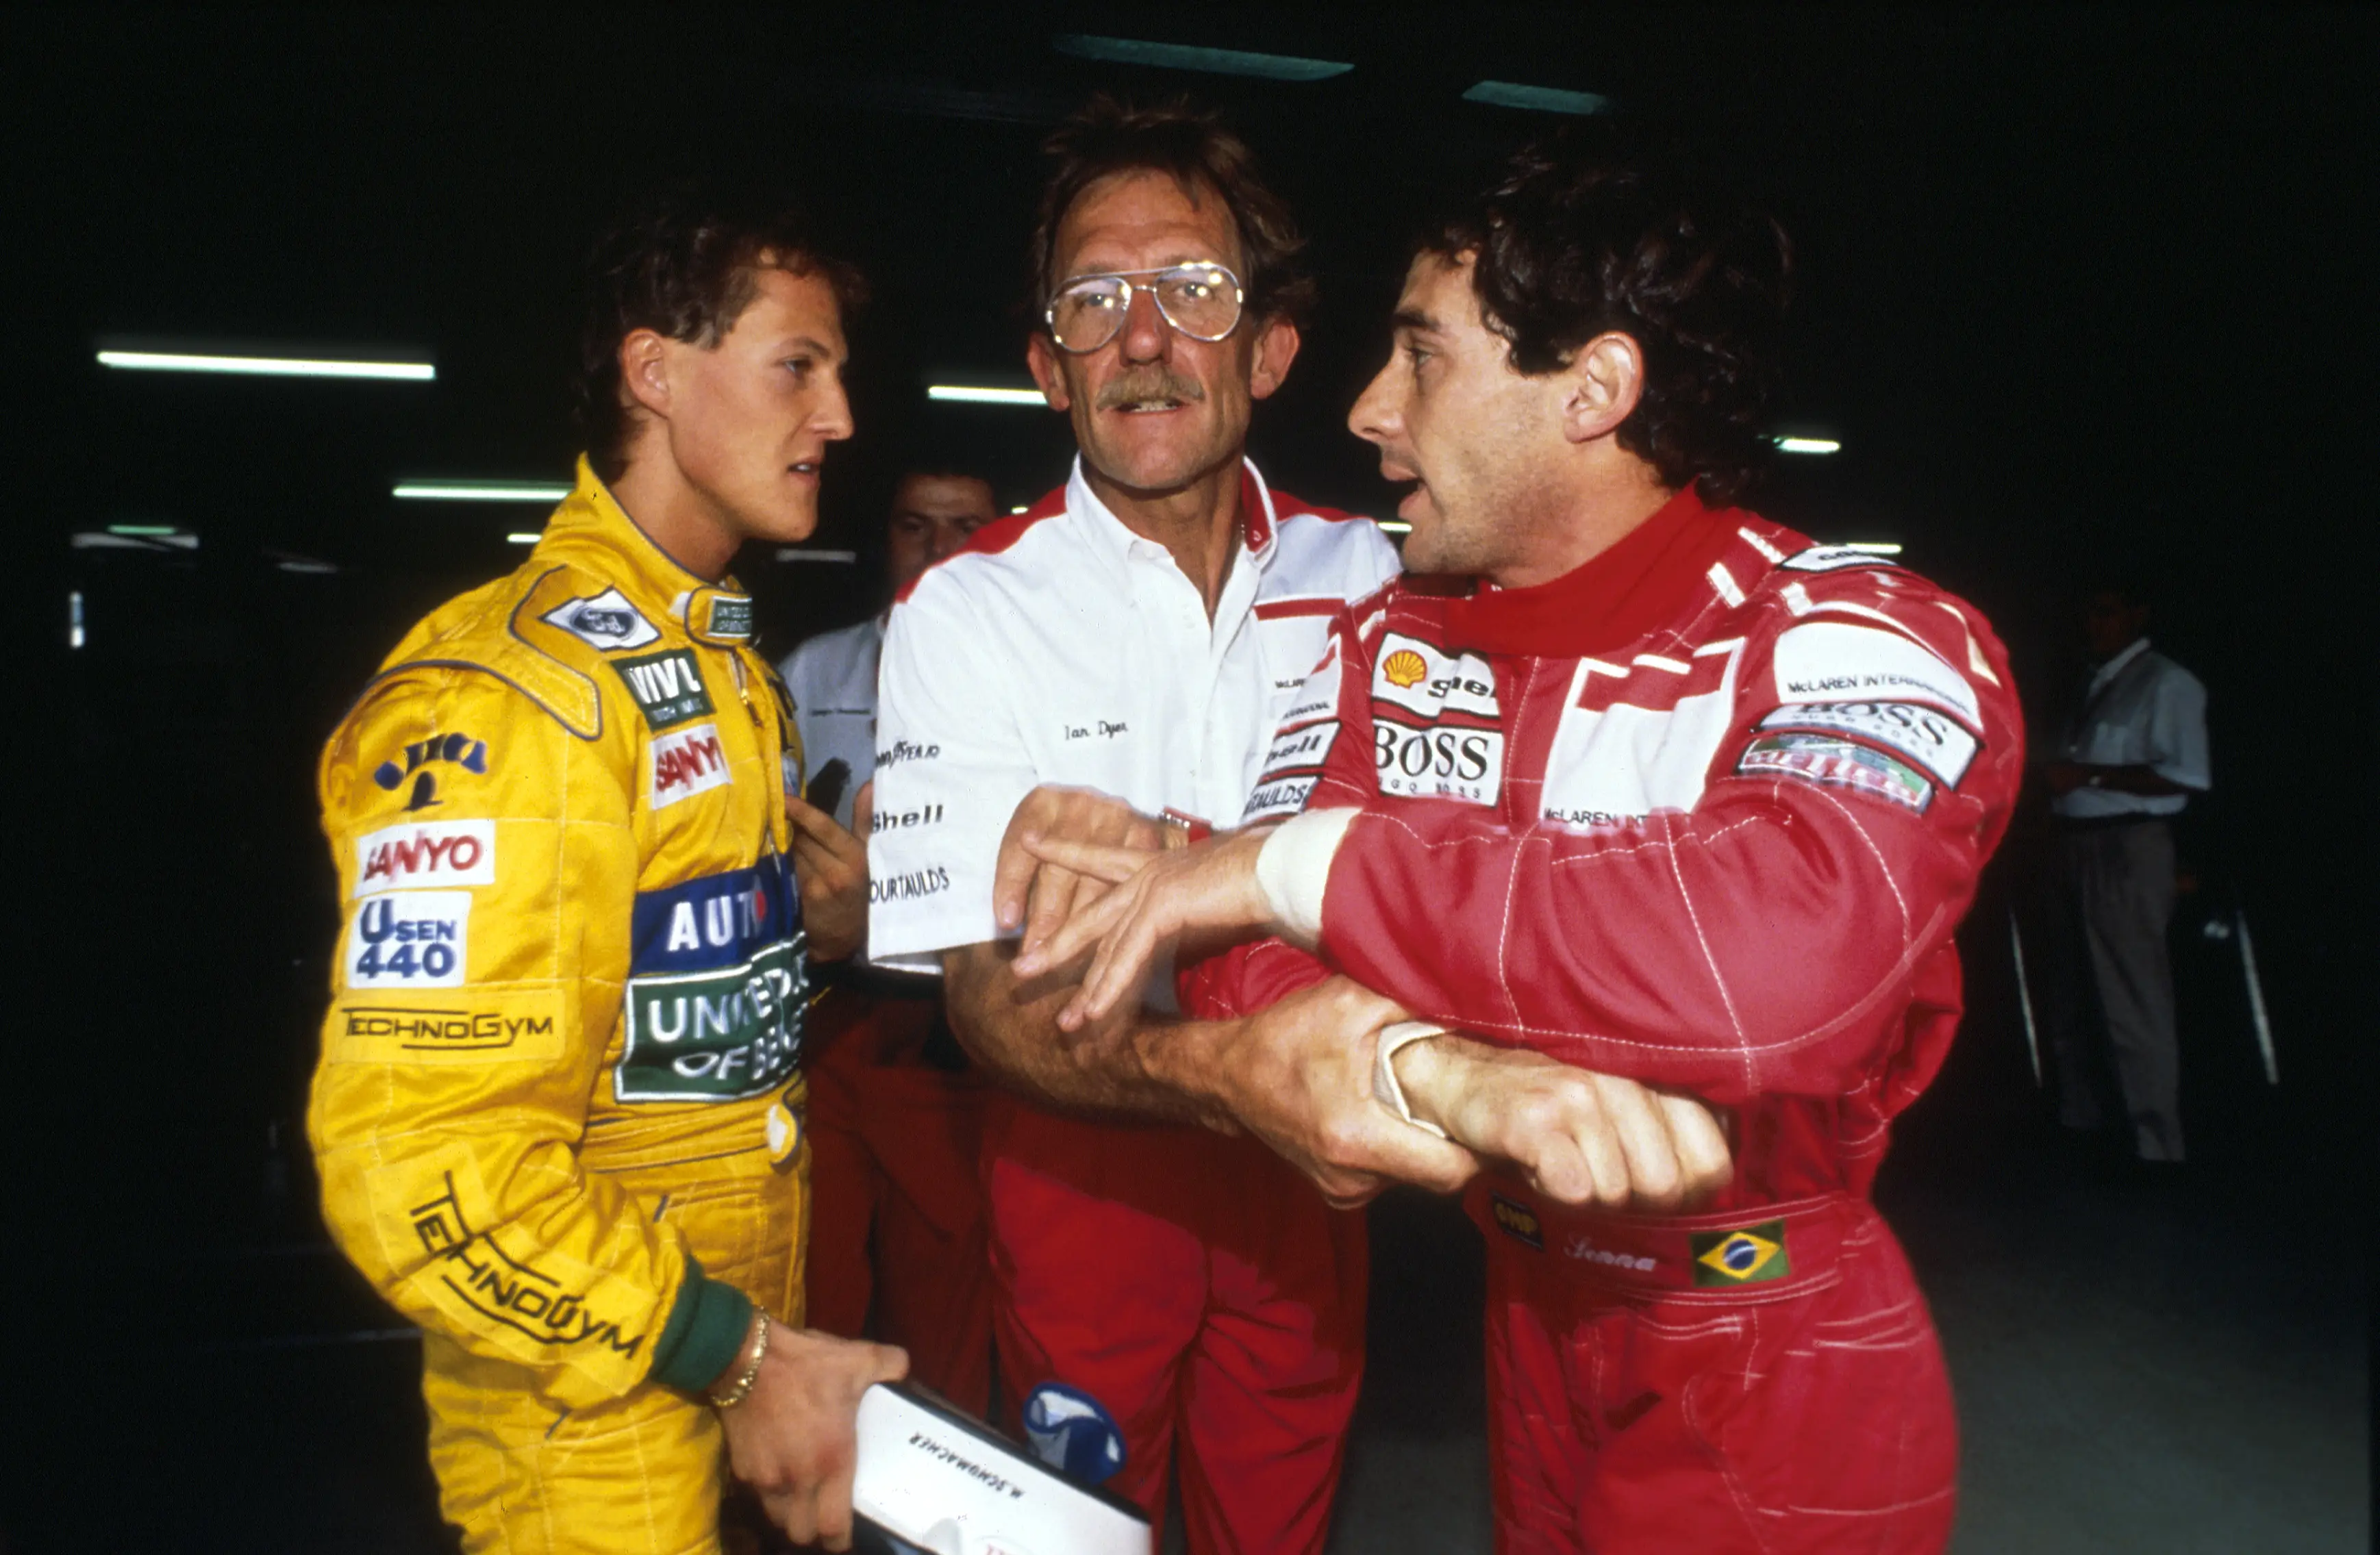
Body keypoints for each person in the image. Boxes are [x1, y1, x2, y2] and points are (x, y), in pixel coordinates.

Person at [1017, 144, 2027, 1554]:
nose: (1367, 408)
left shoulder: (1858, 629)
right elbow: (1237, 951)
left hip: (1766, 1341)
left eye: (1421, 358)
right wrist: (1431, 1062)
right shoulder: (1403, 641)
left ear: (1595, 390)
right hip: (1528, 1314)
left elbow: (1781, 965)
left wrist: (1306, 866)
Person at [307, 186, 906, 1555]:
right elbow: (419, 1159)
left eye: (841, 373)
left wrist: (805, 934)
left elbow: (636, 1011)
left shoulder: (717, 668)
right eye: (796, 367)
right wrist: (732, 1350)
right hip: (588, 1441)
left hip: (729, 1384)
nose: (840, 419)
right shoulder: (511, 694)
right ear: (654, 371)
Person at [863, 97, 1414, 1552]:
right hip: (1080, 1153)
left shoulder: (1381, 579)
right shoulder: (966, 604)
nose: (1145, 334)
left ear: (1273, 348)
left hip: (1312, 1173)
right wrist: (1241, 1069)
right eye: (1094, 300)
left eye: (1195, 290)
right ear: (1050, 366)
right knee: (1072, 1535)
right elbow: (986, 1000)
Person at [779, 462, 1002, 1416]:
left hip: (954, 1031)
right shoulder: (812, 669)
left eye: (965, 527)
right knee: (812, 1281)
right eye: (916, 525)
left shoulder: (1031, 674)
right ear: (886, 538)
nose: (940, 549)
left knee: (943, 1294)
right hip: (827, 1017)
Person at [2041, 584, 2210, 1162]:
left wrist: (2089, 777)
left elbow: (2186, 776)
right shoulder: (2093, 684)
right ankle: (2086, 1124)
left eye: (2104, 610)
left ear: (2139, 614)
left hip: (2127, 845)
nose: (2091, 622)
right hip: (2074, 846)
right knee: (2074, 993)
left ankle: (2156, 1144)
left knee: (2133, 996)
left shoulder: (2166, 683)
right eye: (2086, 609)